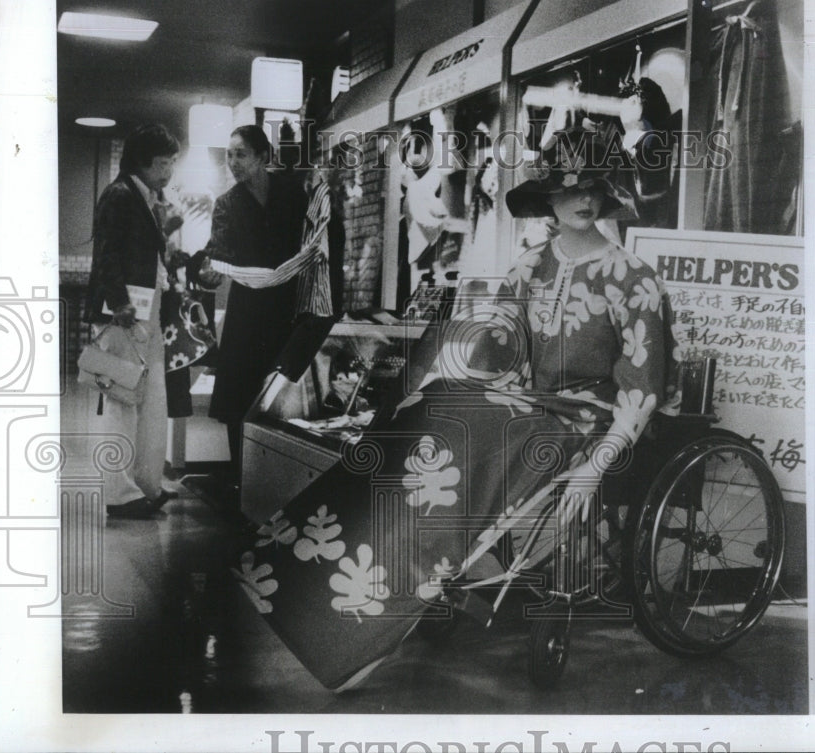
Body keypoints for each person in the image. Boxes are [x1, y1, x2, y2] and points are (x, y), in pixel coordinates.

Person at [231, 130, 679, 690]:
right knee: (429, 409)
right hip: (519, 403)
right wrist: (446, 377)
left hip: (583, 417)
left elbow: (643, 383)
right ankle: (312, 579)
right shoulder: (528, 266)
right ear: (547, 200)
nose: (581, 199)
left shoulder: (633, 278)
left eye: (592, 188)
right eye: (567, 190)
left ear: (607, 193)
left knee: (469, 434)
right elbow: (495, 345)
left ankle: (373, 616)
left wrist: (600, 460)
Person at [200, 125, 317, 485]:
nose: (233, 163)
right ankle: (243, 483)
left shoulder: (293, 195)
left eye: (241, 154)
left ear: (263, 157)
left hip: (288, 310)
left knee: (286, 398)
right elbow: (217, 250)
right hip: (247, 314)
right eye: (229, 156)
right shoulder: (228, 204)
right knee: (241, 401)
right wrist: (210, 271)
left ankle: (284, 483)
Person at [84, 123, 182, 519]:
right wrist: (119, 302)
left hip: (145, 311)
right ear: (142, 162)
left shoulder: (143, 196)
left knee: (151, 400)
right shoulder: (120, 194)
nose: (169, 171)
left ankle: (146, 482)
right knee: (124, 400)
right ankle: (118, 493)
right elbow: (106, 253)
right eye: (164, 163)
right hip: (126, 314)